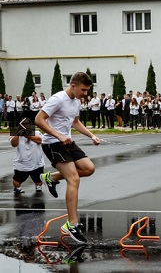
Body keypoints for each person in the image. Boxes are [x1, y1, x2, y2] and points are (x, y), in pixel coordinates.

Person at [35, 72, 100, 244]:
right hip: (52, 143)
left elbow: (75, 122)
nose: (85, 94)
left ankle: (51, 177)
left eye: (87, 90)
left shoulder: (76, 101)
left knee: (89, 168)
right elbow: (39, 120)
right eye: (83, 90)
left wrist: (91, 136)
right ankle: (71, 224)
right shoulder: (57, 99)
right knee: (74, 179)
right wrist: (59, 136)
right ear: (73, 86)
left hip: (67, 142)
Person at [11, 130, 45, 195]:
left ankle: (38, 186)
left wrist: (29, 136)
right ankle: (17, 188)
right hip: (22, 163)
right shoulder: (16, 135)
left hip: (37, 163)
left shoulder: (37, 133)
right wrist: (18, 134)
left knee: (39, 181)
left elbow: (40, 141)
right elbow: (14, 144)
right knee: (17, 181)